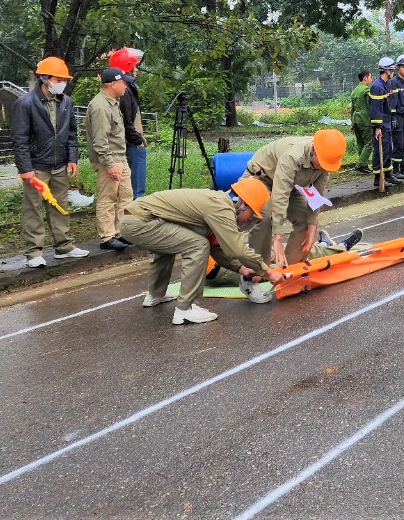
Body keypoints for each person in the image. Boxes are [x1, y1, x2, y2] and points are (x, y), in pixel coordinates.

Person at [120, 179, 282, 325]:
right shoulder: (221, 208)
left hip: (136, 219)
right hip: (140, 222)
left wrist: (241, 269)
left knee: (169, 246)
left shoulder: (218, 202)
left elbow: (216, 246)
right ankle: (185, 309)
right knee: (197, 245)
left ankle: (156, 294)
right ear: (243, 205)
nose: (250, 218)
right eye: (252, 213)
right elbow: (237, 248)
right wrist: (267, 272)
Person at [10, 56, 87, 268]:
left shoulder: (66, 102)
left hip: (59, 164)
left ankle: (64, 246)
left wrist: (72, 158)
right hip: (36, 167)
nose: (62, 82)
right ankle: (34, 252)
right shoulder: (25, 104)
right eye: (58, 78)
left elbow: (71, 133)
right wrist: (25, 168)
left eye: (64, 79)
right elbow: (20, 139)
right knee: (33, 208)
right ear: (45, 79)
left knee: (60, 206)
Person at [243, 129, 346, 265]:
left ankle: (289, 268)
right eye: (321, 162)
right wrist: (278, 237)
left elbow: (316, 195)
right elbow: (280, 194)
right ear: (313, 149)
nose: (322, 167)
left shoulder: (326, 162)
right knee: (266, 216)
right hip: (261, 179)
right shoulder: (293, 156)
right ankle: (258, 268)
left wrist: (311, 225)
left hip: (290, 185)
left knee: (305, 218)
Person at [85, 67, 134, 252]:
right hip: (109, 160)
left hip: (120, 157)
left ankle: (121, 232)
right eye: (123, 83)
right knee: (108, 197)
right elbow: (100, 140)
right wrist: (109, 164)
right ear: (113, 84)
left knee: (125, 196)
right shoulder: (100, 106)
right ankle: (107, 236)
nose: (126, 87)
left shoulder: (113, 102)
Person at [109, 47, 147, 199]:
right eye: (134, 66)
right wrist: (138, 141)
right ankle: (135, 217)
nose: (136, 70)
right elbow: (126, 121)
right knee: (136, 190)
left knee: (131, 188)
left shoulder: (125, 89)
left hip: (129, 143)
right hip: (132, 144)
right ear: (127, 68)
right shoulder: (125, 92)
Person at [369, 57, 402, 186]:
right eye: (392, 70)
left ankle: (388, 173)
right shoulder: (377, 87)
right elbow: (375, 109)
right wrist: (377, 127)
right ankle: (378, 178)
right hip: (380, 125)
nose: (393, 73)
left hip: (386, 123)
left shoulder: (385, 84)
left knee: (388, 149)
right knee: (380, 150)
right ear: (387, 71)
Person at [350, 69, 374, 173]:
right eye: (370, 77)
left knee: (361, 143)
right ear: (365, 78)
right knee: (369, 143)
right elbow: (371, 105)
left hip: (356, 120)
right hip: (365, 120)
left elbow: (352, 109)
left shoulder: (354, 91)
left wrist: (352, 123)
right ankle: (360, 164)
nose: (371, 80)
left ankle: (363, 166)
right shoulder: (366, 90)